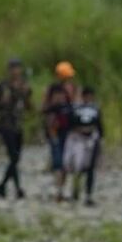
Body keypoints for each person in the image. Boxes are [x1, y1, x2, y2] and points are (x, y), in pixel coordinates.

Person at [0, 58, 32, 199]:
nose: (15, 71)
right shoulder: (2, 86)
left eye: (17, 68)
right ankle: (16, 188)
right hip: (5, 124)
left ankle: (4, 186)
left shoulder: (24, 86)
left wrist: (26, 95)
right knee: (13, 157)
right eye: (13, 68)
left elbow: (29, 106)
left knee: (16, 158)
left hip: (18, 124)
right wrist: (2, 101)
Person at [42, 61, 78, 202]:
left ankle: (62, 189)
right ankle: (59, 190)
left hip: (68, 129)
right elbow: (44, 109)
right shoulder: (51, 89)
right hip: (55, 129)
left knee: (67, 161)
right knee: (58, 161)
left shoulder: (72, 89)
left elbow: (75, 106)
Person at [65, 86, 104, 206]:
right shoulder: (76, 109)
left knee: (91, 168)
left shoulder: (96, 109)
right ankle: (75, 189)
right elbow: (70, 124)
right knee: (78, 166)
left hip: (92, 139)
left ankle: (88, 194)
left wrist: (100, 140)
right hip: (78, 140)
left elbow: (100, 126)